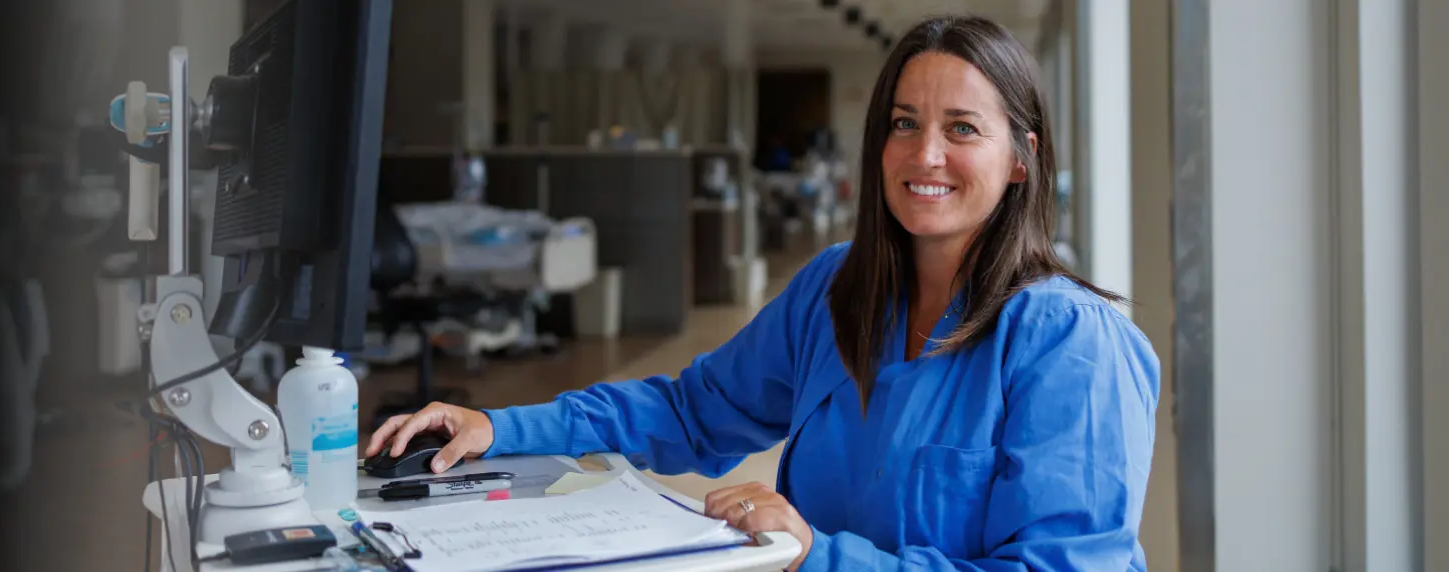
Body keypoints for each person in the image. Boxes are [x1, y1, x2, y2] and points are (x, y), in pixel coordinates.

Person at [366, 14, 1159, 572]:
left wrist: (820, 555)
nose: (924, 154)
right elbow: (690, 412)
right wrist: (499, 427)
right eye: (903, 122)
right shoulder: (837, 290)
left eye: (961, 128)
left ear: (1021, 157)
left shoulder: (1071, 343)